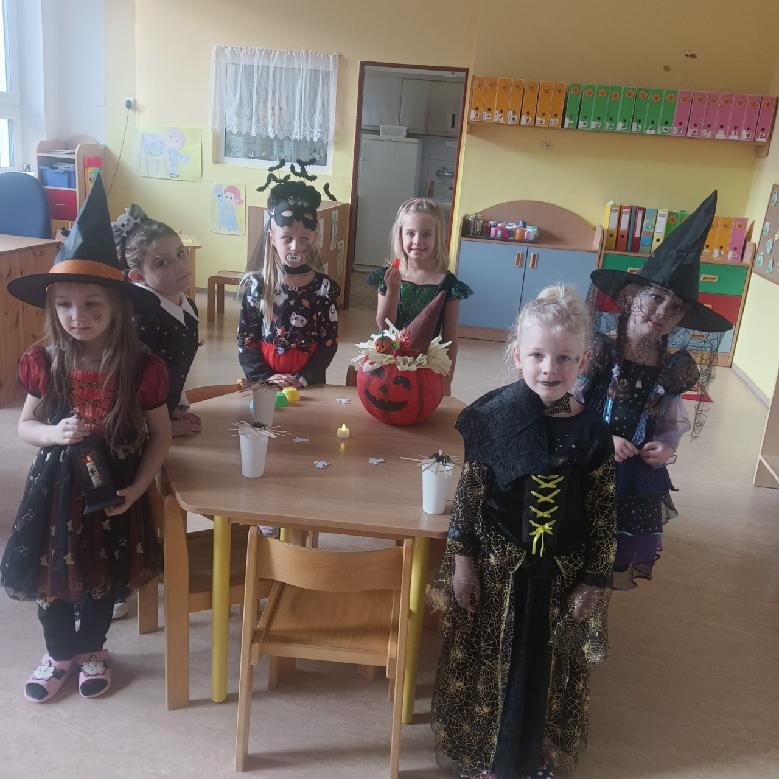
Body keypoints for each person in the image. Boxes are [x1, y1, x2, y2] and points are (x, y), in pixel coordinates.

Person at [431, 284, 616, 779]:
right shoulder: (494, 415)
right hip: (498, 572)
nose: (549, 369)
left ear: (584, 360)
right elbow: (470, 495)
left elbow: (602, 513)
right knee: (494, 663)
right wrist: (463, 563)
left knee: (544, 667)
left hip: (558, 577)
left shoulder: (593, 433)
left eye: (564, 358)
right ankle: (488, 752)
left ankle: (534, 753)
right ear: (517, 355)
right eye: (537, 355)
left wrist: (593, 581)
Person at [0, 175, 171, 702]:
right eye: (66, 306)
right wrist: (54, 432)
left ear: (118, 305)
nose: (79, 317)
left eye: (94, 305)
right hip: (55, 491)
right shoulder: (44, 361)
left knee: (105, 573)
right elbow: (25, 426)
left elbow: (160, 436)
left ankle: (93, 648)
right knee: (51, 576)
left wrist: (139, 489)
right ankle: (58, 653)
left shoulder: (142, 367)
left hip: (113, 489)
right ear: (52, 307)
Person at [579, 191, 733, 590]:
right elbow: (569, 405)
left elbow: (670, 422)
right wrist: (601, 439)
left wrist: (666, 447)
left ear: (682, 318)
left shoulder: (673, 367)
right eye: (656, 297)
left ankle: (595, 595)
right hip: (586, 460)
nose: (663, 311)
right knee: (577, 531)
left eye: (675, 306)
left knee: (616, 544)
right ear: (631, 296)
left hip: (633, 475)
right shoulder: (600, 350)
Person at [237, 162, 340, 388]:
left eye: (304, 238)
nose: (295, 247)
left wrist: (302, 378)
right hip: (265, 383)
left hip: (308, 384)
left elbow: (329, 343)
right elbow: (246, 340)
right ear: (272, 238)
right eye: (287, 238)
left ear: (314, 237)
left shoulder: (323, 288)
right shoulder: (257, 286)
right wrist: (265, 376)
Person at [113, 204, 201, 438]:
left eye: (180, 253)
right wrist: (161, 427)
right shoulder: (143, 316)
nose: (180, 266)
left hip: (162, 409)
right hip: (136, 427)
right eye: (162, 263)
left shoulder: (187, 305)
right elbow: (131, 384)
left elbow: (173, 370)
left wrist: (172, 408)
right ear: (138, 276)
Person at [367, 198, 472, 383]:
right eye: (410, 233)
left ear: (437, 237)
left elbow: (450, 338)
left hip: (425, 365)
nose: (417, 241)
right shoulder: (389, 276)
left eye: (426, 234)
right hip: (389, 358)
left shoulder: (448, 284)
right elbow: (384, 325)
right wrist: (392, 291)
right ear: (400, 236)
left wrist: (447, 379)